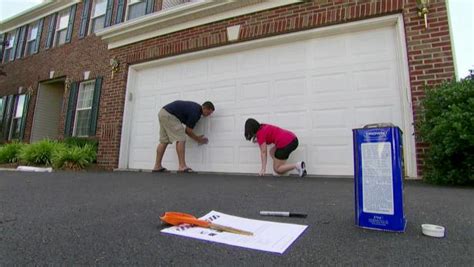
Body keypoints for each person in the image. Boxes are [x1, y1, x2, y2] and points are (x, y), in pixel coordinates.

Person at [153, 100, 215, 173]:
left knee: (164, 141)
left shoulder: (195, 108)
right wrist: (198, 139)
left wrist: (196, 138)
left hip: (163, 112)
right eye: (209, 112)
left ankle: (157, 166)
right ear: (204, 108)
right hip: (169, 114)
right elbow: (188, 131)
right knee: (181, 138)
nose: (209, 115)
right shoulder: (196, 113)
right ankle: (182, 166)